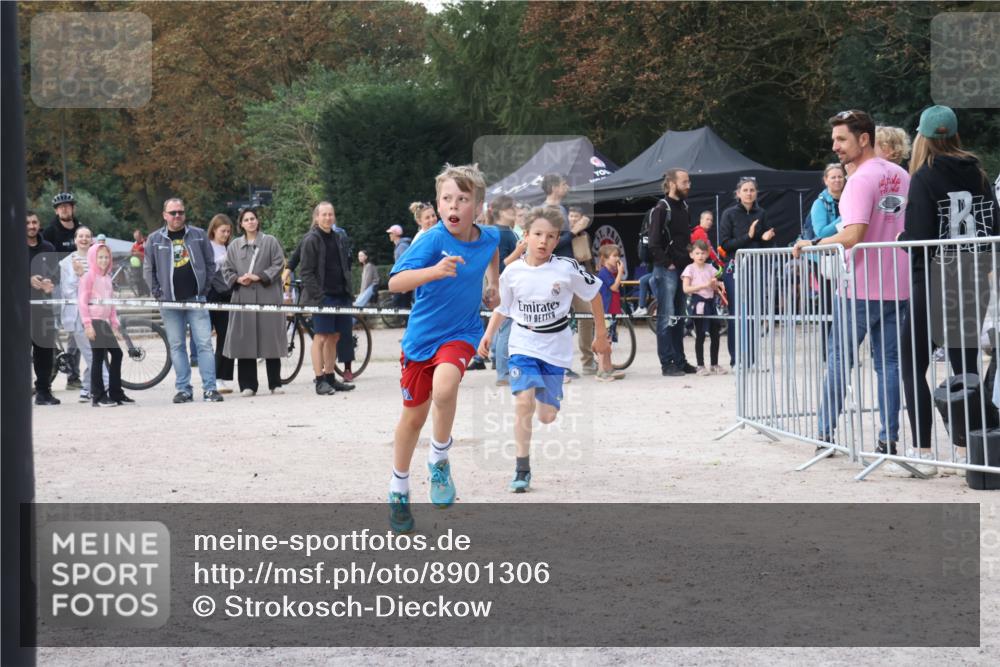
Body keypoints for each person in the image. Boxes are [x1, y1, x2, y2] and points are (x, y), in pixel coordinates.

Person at [386, 163, 500, 533]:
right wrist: (434, 271)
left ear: (478, 205)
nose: (454, 205)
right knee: (412, 419)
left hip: (461, 332)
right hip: (420, 340)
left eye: (463, 199)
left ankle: (439, 459)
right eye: (447, 198)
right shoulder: (431, 240)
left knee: (446, 387)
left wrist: (493, 283)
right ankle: (399, 488)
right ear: (437, 202)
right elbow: (396, 283)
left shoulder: (490, 237)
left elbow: (496, 249)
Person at [792, 109, 910, 459]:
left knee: (838, 361)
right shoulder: (902, 175)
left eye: (841, 139)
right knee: (888, 365)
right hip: (897, 284)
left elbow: (853, 234)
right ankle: (888, 439)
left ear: (864, 139)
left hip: (859, 286)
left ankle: (825, 434)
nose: (836, 146)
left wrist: (811, 244)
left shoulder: (860, 179)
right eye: (834, 140)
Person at [896, 105, 999, 476]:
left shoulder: (923, 177)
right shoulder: (980, 174)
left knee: (913, 364)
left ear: (923, 137)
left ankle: (923, 452)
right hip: (972, 277)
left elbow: (919, 236)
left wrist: (901, 238)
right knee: (964, 366)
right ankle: (964, 449)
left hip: (935, 280)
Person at [478, 206, 609, 492]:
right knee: (522, 402)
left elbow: (595, 295)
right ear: (525, 236)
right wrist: (488, 334)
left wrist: (601, 336)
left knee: (546, 416)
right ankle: (522, 469)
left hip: (555, 346)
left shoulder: (566, 268)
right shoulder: (512, 272)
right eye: (537, 235)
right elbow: (503, 306)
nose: (543, 242)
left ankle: (542, 393)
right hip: (523, 342)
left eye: (550, 236)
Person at [144, 197, 224, 403]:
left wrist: (204, 290)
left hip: (196, 299)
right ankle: (183, 389)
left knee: (205, 344)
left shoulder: (198, 235)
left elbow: (210, 264)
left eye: (180, 212)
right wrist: (158, 293)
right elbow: (148, 269)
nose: (177, 216)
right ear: (165, 215)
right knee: (177, 346)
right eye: (173, 213)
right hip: (170, 303)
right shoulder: (154, 239)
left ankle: (210, 388)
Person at [222, 208, 287, 396]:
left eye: (253, 219)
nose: (250, 222)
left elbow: (278, 264)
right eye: (246, 219)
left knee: (271, 339)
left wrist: (259, 276)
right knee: (245, 340)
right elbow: (226, 269)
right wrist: (237, 279)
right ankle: (248, 385)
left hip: (268, 297)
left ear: (258, 221)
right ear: (241, 224)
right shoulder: (234, 246)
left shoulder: (270, 242)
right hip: (243, 298)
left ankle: (275, 383)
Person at [298, 202, 357, 393]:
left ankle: (330, 377)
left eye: (331, 214)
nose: (328, 218)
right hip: (322, 297)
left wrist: (348, 290)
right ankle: (319, 379)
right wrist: (319, 296)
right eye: (324, 214)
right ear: (316, 217)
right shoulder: (311, 240)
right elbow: (306, 272)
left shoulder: (339, 237)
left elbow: (345, 266)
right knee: (321, 337)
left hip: (341, 295)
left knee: (335, 337)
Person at [542, 174, 596, 379]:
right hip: (556, 271)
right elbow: (551, 243)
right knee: (557, 319)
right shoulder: (548, 211)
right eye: (564, 184)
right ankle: (558, 366)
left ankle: (588, 362)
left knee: (586, 313)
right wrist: (575, 230)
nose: (567, 187)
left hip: (568, 270)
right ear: (554, 187)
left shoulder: (561, 209)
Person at [719, 175, 776, 368]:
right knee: (737, 313)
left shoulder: (762, 213)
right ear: (738, 193)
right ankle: (737, 360)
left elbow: (768, 242)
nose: (749, 193)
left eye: (752, 190)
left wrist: (766, 238)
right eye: (745, 190)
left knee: (754, 313)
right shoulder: (729, 214)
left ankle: (751, 360)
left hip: (757, 268)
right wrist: (749, 236)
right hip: (735, 268)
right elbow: (725, 244)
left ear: (756, 193)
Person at [649, 168, 695, 376]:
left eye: (688, 181)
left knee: (679, 317)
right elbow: (653, 243)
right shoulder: (661, 208)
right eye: (685, 182)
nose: (689, 185)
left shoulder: (684, 207)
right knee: (666, 317)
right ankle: (667, 363)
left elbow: (686, 238)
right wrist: (667, 263)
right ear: (673, 184)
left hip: (682, 268)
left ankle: (680, 360)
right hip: (667, 270)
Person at [58, 226, 109, 402]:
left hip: (98, 312)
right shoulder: (66, 263)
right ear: (75, 238)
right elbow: (68, 291)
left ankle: (87, 387)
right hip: (78, 313)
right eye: (81, 236)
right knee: (90, 352)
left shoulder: (98, 259)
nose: (84, 239)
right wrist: (81, 276)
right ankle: (107, 384)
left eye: (88, 236)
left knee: (97, 352)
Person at [78, 243, 132, 407]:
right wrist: (87, 325)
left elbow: (111, 304)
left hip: (104, 322)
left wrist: (114, 325)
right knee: (98, 358)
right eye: (100, 257)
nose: (103, 260)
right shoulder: (88, 277)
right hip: (93, 321)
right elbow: (82, 302)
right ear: (93, 258)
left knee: (117, 355)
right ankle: (98, 396)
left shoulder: (108, 278)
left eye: (106, 257)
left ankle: (116, 393)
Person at [43, 191, 84, 387]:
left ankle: (73, 375)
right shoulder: (50, 231)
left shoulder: (81, 229)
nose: (64, 209)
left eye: (68, 206)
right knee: (52, 326)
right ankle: (50, 361)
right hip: (58, 283)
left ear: (73, 208)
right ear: (56, 211)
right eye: (61, 207)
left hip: (78, 284)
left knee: (76, 328)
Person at [489, 195, 523, 385]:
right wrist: (518, 252)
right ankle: (503, 373)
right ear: (502, 212)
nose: (516, 212)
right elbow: (499, 266)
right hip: (504, 287)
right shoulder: (502, 233)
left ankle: (498, 362)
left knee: (502, 327)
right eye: (512, 208)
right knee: (506, 328)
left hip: (506, 286)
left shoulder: (504, 232)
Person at [28, 211, 60, 405]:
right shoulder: (10, 247)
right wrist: (27, 280)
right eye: (27, 223)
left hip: (44, 309)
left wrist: (51, 282)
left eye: (34, 222)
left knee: (45, 352)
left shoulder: (48, 247)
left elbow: (56, 275)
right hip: (19, 311)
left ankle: (43, 392)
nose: (31, 226)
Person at [682, 240, 725, 375]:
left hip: (711, 304)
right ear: (691, 255)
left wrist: (716, 285)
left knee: (715, 334)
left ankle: (714, 364)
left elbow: (713, 287)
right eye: (697, 253)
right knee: (700, 335)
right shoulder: (689, 269)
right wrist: (703, 286)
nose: (700, 256)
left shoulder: (711, 268)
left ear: (707, 254)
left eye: (703, 253)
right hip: (698, 304)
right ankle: (700, 365)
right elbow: (686, 289)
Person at [205, 214, 235, 393]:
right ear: (214, 230)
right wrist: (219, 262)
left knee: (226, 337)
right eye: (223, 231)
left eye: (228, 232)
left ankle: (221, 377)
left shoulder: (230, 247)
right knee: (205, 339)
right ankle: (209, 377)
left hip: (226, 294)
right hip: (210, 294)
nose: (225, 234)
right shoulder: (206, 247)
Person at [594, 244, 627, 381]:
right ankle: (601, 371)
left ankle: (608, 368)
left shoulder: (610, 272)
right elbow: (614, 287)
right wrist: (619, 272)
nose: (617, 258)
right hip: (605, 311)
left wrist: (618, 272)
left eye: (618, 255)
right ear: (605, 258)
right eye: (614, 256)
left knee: (609, 341)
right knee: (604, 340)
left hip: (612, 310)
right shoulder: (604, 272)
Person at [386, 223, 413, 310]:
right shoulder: (400, 246)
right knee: (403, 305)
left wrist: (405, 284)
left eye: (391, 233)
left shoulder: (402, 246)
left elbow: (406, 264)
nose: (389, 235)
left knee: (401, 305)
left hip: (404, 280)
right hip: (403, 280)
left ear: (395, 234)